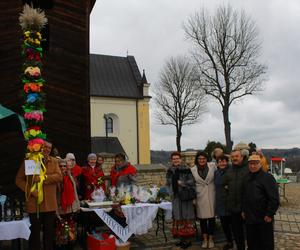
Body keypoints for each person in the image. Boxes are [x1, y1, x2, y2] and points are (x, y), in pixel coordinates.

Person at [16, 140, 63, 250]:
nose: (47, 149)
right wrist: (30, 191)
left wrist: (44, 178)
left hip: (50, 205)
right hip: (34, 205)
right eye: (45, 147)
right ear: (39, 147)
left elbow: (59, 177)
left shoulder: (55, 161)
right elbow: (18, 180)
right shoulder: (29, 161)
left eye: (49, 148)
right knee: (34, 236)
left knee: (49, 235)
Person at [242, 155, 279, 250]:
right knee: (252, 241)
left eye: (255, 163)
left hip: (264, 216)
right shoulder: (246, 177)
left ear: (260, 164)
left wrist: (270, 214)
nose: (252, 166)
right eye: (250, 164)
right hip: (250, 216)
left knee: (265, 243)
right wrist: (243, 210)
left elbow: (274, 198)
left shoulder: (267, 177)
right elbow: (244, 195)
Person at [166, 152, 195, 249]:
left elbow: (192, 181)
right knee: (178, 217)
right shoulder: (170, 170)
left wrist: (182, 183)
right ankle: (181, 238)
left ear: (180, 159)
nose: (176, 160)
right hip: (175, 197)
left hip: (185, 196)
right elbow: (168, 182)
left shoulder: (186, 169)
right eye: (174, 159)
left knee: (186, 216)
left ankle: (187, 240)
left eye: (177, 158)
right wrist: (170, 192)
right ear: (171, 160)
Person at [222, 149, 249, 250]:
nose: (234, 158)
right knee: (237, 233)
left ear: (242, 157)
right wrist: (227, 199)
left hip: (247, 208)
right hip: (233, 207)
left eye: (236, 156)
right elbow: (223, 185)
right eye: (232, 157)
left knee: (250, 232)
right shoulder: (229, 170)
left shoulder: (249, 169)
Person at [191, 151, 216, 248]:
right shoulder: (193, 169)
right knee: (202, 219)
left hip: (211, 194)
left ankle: (211, 239)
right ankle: (205, 239)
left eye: (204, 158)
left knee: (212, 218)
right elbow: (192, 184)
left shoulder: (213, 166)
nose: (202, 160)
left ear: (207, 159)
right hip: (200, 195)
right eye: (200, 159)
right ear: (197, 160)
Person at [55, 159, 80, 250]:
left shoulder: (70, 177)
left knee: (71, 231)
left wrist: (77, 205)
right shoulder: (56, 178)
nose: (62, 168)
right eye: (60, 166)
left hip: (71, 208)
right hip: (61, 209)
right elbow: (55, 196)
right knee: (62, 232)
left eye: (64, 166)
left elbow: (75, 192)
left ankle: (71, 246)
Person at [214, 155, 233, 250]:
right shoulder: (216, 173)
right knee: (225, 226)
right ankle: (229, 242)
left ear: (227, 162)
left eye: (224, 161)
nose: (222, 163)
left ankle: (237, 241)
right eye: (220, 161)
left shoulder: (232, 171)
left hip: (231, 203)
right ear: (217, 163)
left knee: (234, 225)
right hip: (220, 203)